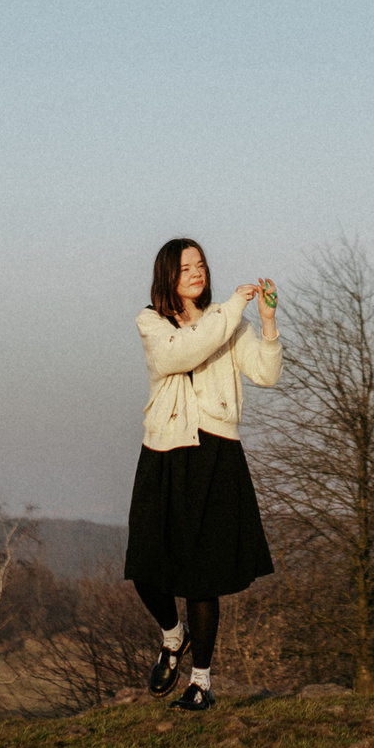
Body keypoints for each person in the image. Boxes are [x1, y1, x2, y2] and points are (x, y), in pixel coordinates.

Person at [125, 236, 279, 711]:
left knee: (202, 576)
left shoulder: (227, 321)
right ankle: (174, 637)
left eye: (201, 265)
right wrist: (234, 306)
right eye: (186, 266)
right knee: (145, 562)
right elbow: (182, 354)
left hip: (216, 452)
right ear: (167, 274)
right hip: (165, 450)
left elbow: (265, 373)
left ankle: (202, 683)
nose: (197, 272)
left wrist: (267, 323)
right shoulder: (151, 322)